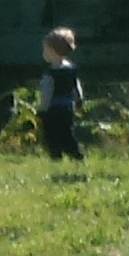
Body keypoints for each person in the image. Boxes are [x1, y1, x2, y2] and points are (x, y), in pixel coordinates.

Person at [35, 25, 84, 160]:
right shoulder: (71, 69)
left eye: (45, 49)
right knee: (66, 132)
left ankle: (56, 156)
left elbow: (47, 92)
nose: (43, 52)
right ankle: (75, 152)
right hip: (68, 108)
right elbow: (76, 87)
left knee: (51, 134)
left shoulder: (50, 73)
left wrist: (43, 109)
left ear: (51, 51)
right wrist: (79, 100)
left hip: (53, 109)